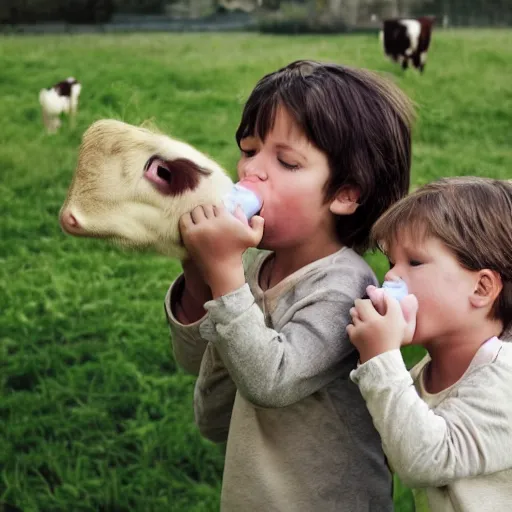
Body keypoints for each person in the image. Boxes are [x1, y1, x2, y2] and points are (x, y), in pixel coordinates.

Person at [165, 59, 414, 511]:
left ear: (345, 194)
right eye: (248, 149)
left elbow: (270, 381)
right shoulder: (252, 263)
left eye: (286, 161)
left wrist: (223, 274)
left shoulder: (346, 289)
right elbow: (195, 363)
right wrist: (199, 272)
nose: (250, 172)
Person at [348, 177, 512, 512]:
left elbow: (424, 459)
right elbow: (394, 443)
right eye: (392, 263)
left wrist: (380, 358)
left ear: (481, 288)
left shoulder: (506, 379)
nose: (392, 277)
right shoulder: (424, 373)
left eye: (415, 262)